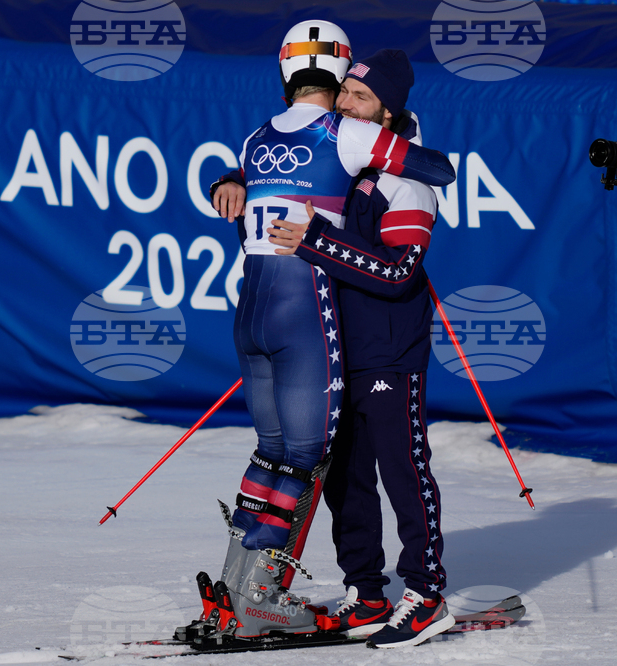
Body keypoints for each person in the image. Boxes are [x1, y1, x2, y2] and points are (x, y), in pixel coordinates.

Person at [197, 23, 456, 643]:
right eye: (344, 95)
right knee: (343, 481)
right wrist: (234, 177)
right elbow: (283, 164)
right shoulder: (350, 166)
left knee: (403, 469)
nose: (344, 104)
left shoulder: (405, 181)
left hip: (389, 350)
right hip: (335, 344)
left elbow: (396, 271)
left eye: (359, 100)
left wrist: (313, 239)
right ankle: (365, 591)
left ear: (386, 115)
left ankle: (424, 592)